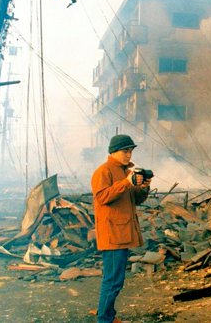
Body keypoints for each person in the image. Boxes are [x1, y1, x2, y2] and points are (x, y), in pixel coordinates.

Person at [91, 134, 152, 323]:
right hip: (112, 235)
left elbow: (137, 200)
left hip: (122, 233)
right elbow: (102, 197)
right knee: (112, 281)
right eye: (125, 150)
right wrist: (127, 182)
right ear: (113, 152)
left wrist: (143, 187)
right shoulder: (103, 171)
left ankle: (108, 316)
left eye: (131, 151)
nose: (128, 154)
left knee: (116, 280)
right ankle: (104, 319)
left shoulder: (126, 172)